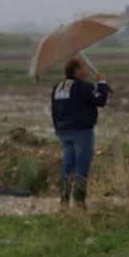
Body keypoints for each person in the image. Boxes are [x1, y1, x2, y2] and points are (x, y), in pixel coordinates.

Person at [51, 55, 108, 208]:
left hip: (63, 131)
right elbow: (100, 100)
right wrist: (102, 83)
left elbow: (54, 111)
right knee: (82, 166)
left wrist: (57, 129)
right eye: (84, 66)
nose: (87, 68)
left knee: (67, 166)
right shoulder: (83, 87)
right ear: (77, 71)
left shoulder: (57, 87)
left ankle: (64, 201)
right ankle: (80, 202)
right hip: (81, 132)